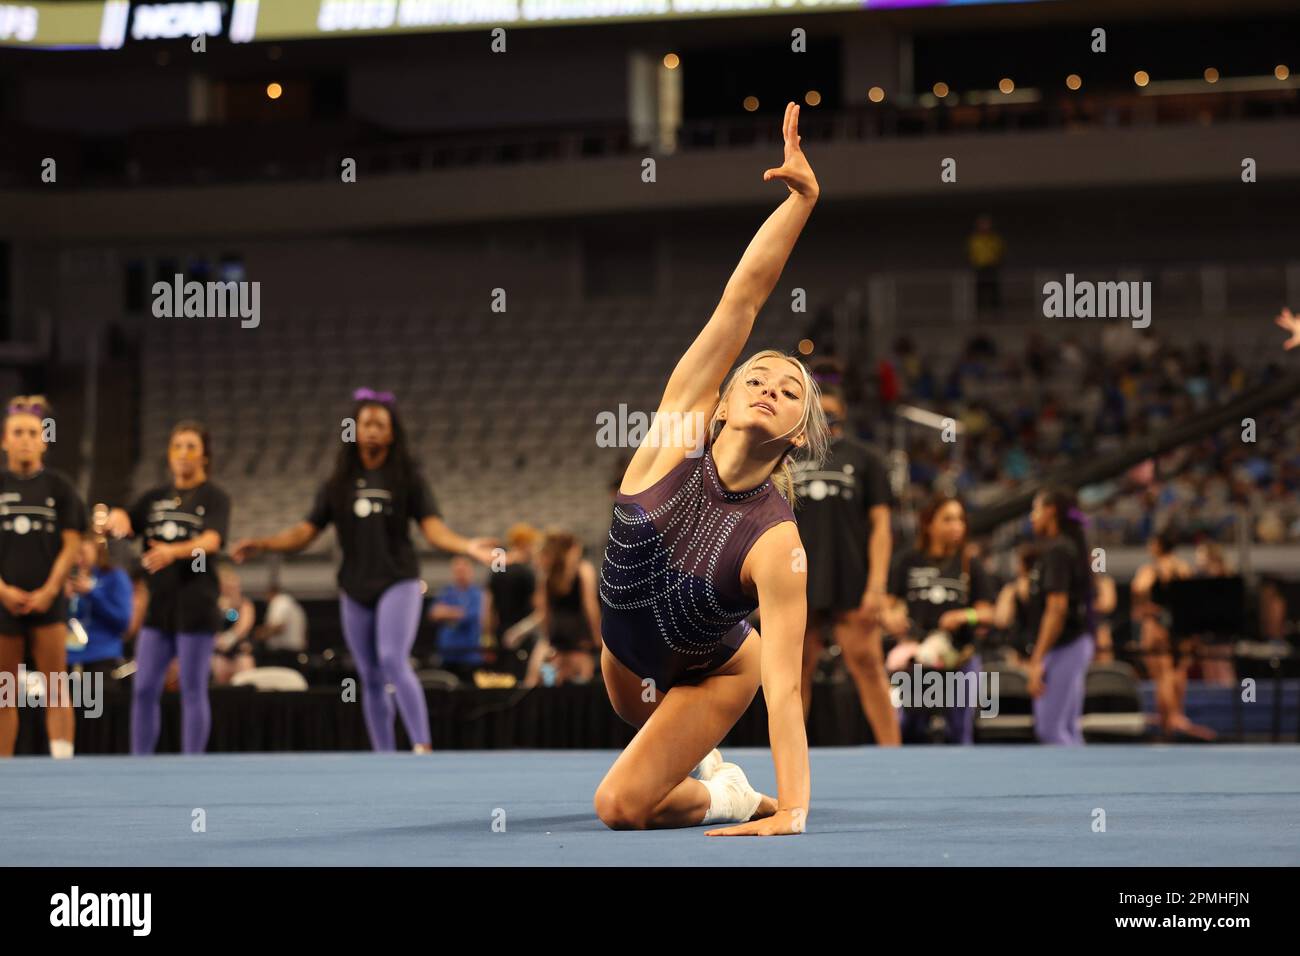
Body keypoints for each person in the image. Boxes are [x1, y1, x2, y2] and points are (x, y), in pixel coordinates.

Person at [594, 102, 826, 836]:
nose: (772, 387)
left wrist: (792, 810)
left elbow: (785, 689)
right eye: (759, 378)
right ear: (721, 406)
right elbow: (742, 302)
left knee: (621, 808)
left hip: (721, 668)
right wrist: (799, 202)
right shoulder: (675, 433)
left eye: (792, 391)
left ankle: (731, 793)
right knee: (636, 720)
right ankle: (705, 762)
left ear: (797, 438)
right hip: (625, 660)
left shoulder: (776, 542)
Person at [231, 389, 494, 753]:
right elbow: (304, 533)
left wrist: (467, 546)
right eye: (365, 422)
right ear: (353, 430)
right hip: (354, 587)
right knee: (368, 674)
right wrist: (263, 543)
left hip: (398, 581)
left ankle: (422, 745)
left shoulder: (407, 479)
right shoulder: (337, 484)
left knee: (391, 658)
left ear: (390, 433)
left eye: (379, 424)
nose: (371, 429)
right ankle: (383, 754)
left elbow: (433, 529)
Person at [104, 420, 231, 755]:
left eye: (192, 447)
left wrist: (171, 552)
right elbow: (126, 521)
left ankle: (192, 764)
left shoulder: (215, 498)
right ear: (169, 454)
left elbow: (212, 541)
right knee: (144, 688)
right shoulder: (154, 498)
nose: (184, 454)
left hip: (197, 602)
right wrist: (116, 517)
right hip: (159, 605)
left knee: (192, 688)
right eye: (178, 447)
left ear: (205, 455)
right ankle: (140, 762)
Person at [792, 386, 897, 744]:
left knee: (867, 665)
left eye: (831, 411)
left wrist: (877, 586)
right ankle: (790, 763)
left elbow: (882, 526)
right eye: (817, 410)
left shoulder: (866, 458)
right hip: (798, 579)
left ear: (843, 415)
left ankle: (896, 756)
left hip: (851, 576)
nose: (826, 416)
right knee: (794, 674)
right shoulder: (787, 457)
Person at [0, 395, 86, 758]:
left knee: (56, 687)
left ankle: (62, 766)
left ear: (44, 440)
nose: (24, 438)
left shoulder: (59, 487)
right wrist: (2, 591)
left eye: (32, 432)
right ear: (4, 440)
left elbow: (71, 546)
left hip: (48, 602)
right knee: (4, 692)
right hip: (5, 604)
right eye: (17, 432)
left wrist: (50, 590)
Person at [881, 495, 996, 744]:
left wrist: (964, 615)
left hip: (959, 657)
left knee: (960, 730)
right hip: (916, 660)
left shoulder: (969, 563)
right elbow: (886, 606)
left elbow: (989, 613)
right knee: (908, 728)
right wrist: (892, 618)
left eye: (960, 520)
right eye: (947, 519)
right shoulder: (907, 561)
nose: (956, 526)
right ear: (929, 524)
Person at [1022, 487, 1095, 745]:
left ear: (1051, 511)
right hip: (1074, 642)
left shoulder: (1058, 551)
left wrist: (1037, 659)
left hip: (1065, 644)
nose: (1032, 517)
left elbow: (1056, 608)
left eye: (1036, 509)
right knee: (1067, 728)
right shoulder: (1066, 547)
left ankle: (1076, 783)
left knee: (1050, 729)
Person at [1131, 532, 1214, 739]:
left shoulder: (1151, 569)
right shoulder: (1183, 567)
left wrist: (1144, 606)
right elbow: (1193, 596)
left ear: (1158, 546)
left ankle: (1170, 720)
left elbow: (1139, 588)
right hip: (1181, 625)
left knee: (1163, 674)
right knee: (1179, 671)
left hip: (1157, 625)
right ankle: (1178, 715)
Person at [527, 530, 601, 686]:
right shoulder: (583, 569)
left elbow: (544, 612)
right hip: (579, 636)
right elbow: (590, 605)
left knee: (553, 684)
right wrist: (598, 637)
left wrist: (548, 637)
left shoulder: (547, 575)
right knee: (582, 686)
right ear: (571, 548)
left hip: (558, 636)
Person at [65, 534, 134, 675]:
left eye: (82, 553)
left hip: (102, 656)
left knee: (96, 694)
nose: (78, 559)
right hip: (69, 656)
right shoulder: (66, 579)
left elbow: (123, 621)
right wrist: (64, 598)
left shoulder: (114, 577)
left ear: (95, 547)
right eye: (74, 554)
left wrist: (92, 593)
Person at [486, 523, 540, 678]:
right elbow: (538, 606)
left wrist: (488, 637)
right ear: (524, 544)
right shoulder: (527, 572)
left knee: (502, 679)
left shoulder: (497, 569)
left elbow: (488, 608)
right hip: (523, 634)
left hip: (501, 633)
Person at [430, 556, 486, 683]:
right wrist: (456, 612)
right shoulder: (447, 592)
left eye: (463, 571)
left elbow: (469, 615)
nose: (460, 575)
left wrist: (447, 612)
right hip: (447, 655)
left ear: (470, 571)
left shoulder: (477, 594)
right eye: (457, 571)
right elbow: (434, 613)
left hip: (469, 656)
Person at [211, 566, 256, 685]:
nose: (233, 590)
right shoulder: (214, 604)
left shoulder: (244, 604)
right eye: (229, 587)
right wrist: (215, 640)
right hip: (220, 653)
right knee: (221, 683)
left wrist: (230, 638)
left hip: (240, 651)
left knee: (246, 682)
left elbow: (244, 625)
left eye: (235, 586)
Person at [255, 582, 308, 657]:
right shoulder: (293, 604)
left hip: (284, 652)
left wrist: (258, 634)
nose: (265, 598)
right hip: (296, 651)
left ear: (271, 593)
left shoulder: (279, 601)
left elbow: (279, 627)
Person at [967, 214, 1005, 314]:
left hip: (992, 267)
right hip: (979, 268)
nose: (985, 227)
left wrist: (996, 262)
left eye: (987, 224)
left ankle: (996, 313)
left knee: (994, 291)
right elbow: (971, 253)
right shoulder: (975, 239)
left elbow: (1000, 252)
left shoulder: (995, 239)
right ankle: (978, 314)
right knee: (979, 292)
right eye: (982, 224)